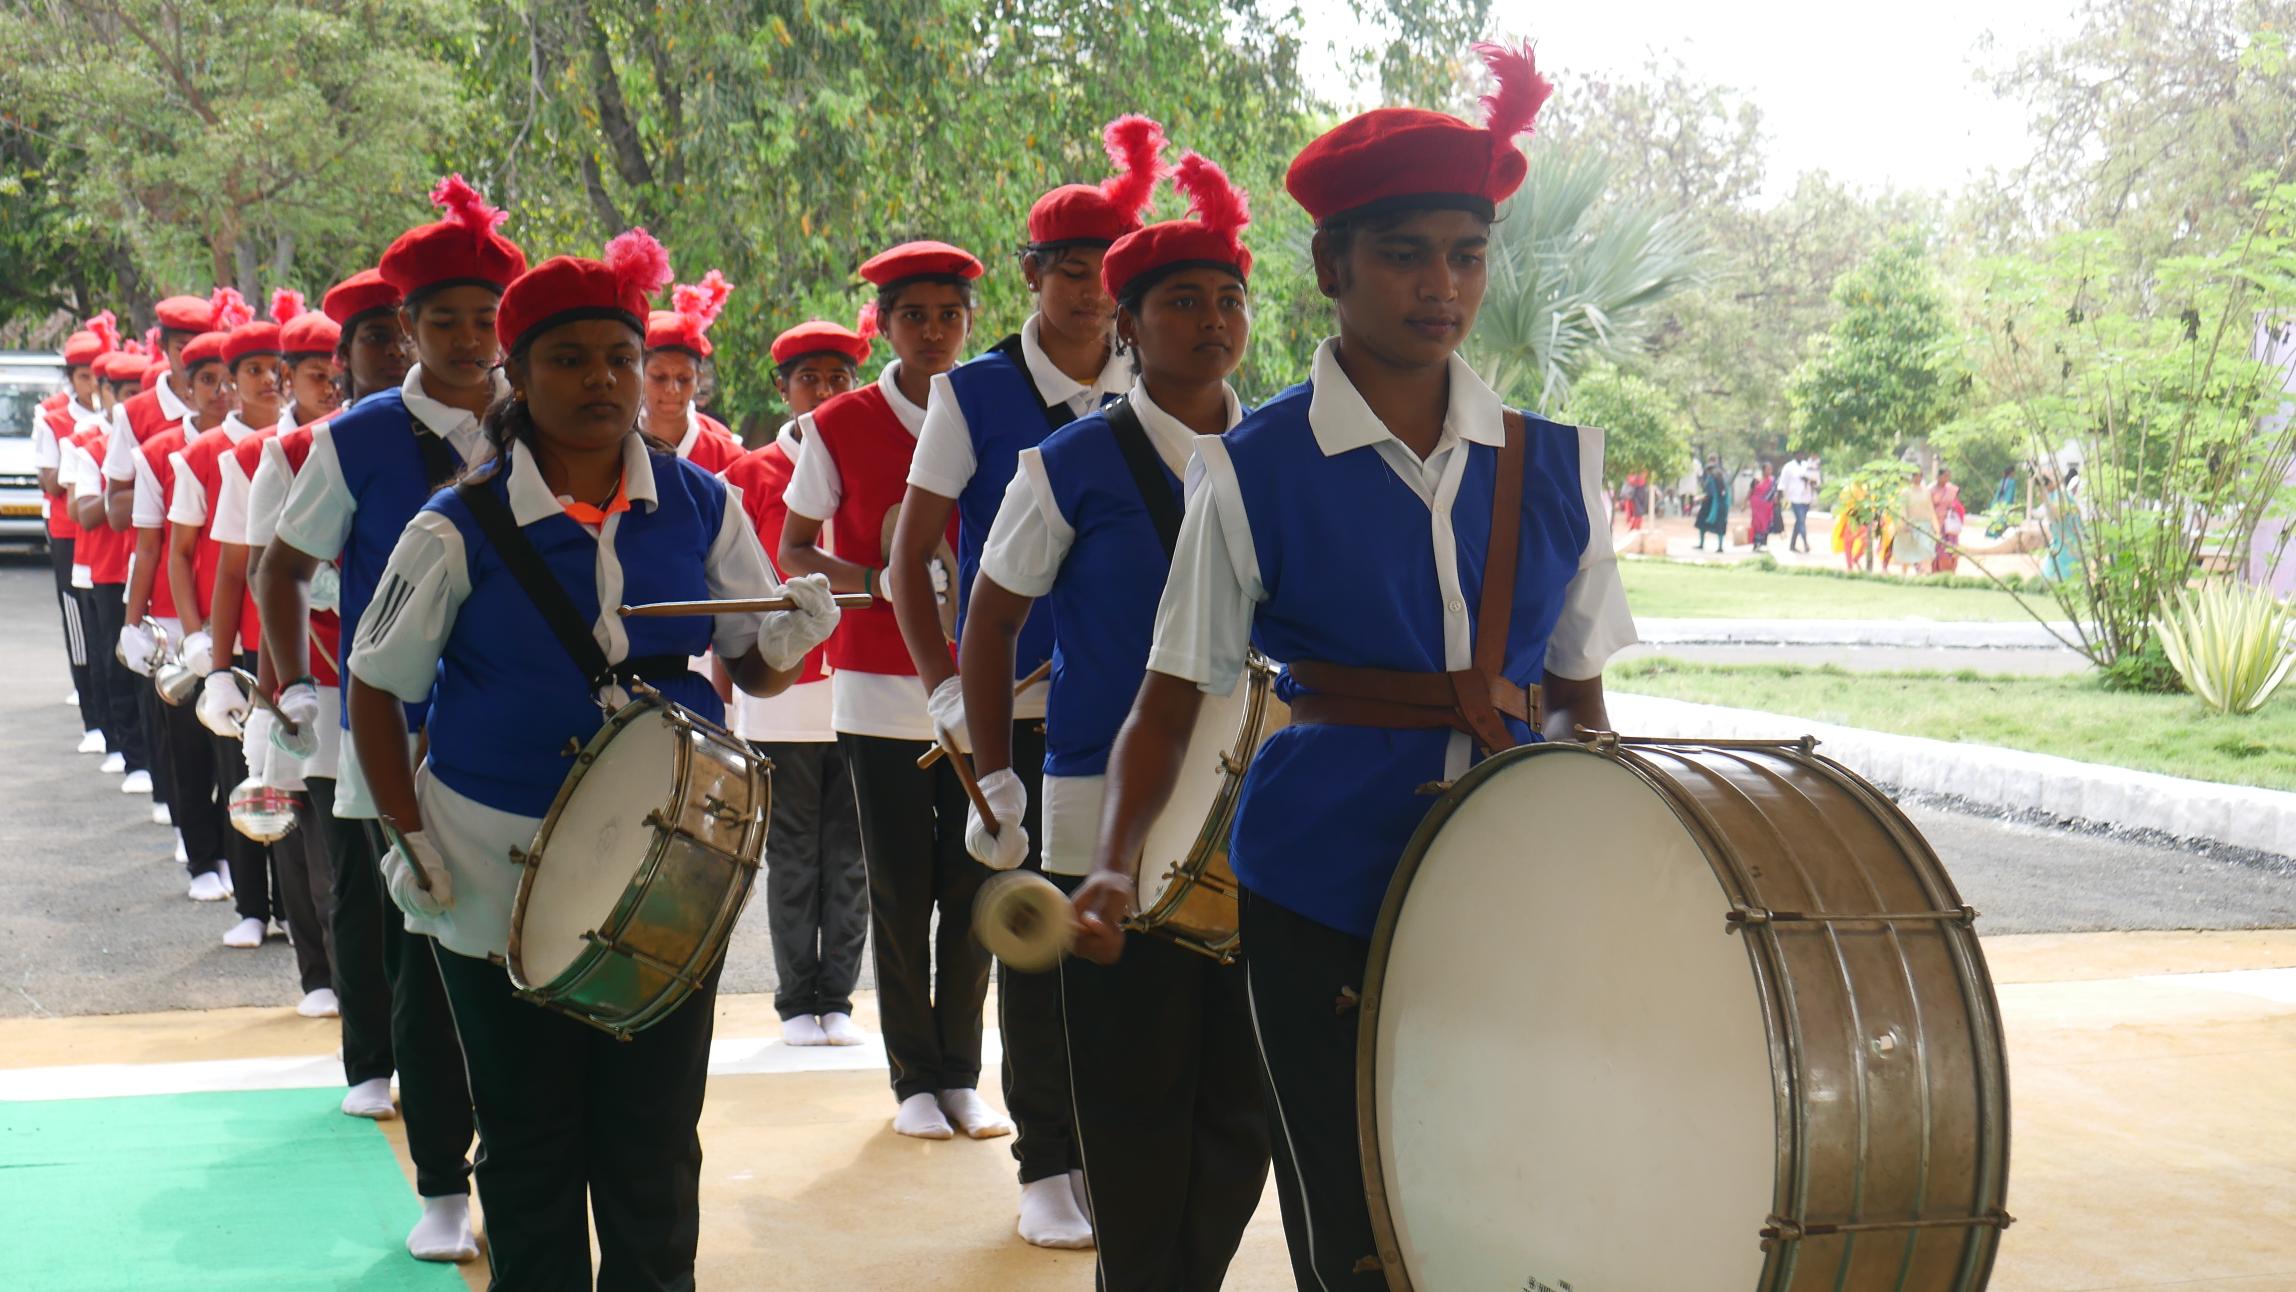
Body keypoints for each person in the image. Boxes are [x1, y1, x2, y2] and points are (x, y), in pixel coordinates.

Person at [1070, 41, 1636, 1287]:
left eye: (1466, 254)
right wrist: (1113, 862)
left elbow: (1583, 710)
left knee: (1509, 1198)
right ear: (1332, 267)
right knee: (1353, 1214)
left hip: (1517, 881)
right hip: (1315, 882)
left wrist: (1610, 849)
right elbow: (1169, 698)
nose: (1441, 285)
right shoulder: (1248, 469)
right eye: (1404, 253)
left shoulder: (1559, 466)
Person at [347, 227, 841, 1291]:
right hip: (491, 864)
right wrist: (410, 835)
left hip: (673, 868)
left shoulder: (702, 501)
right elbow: (376, 686)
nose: (602, 380)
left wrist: (793, 637)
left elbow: (754, 671)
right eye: (568, 359)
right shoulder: (455, 525)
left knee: (654, 1139)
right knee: (528, 1139)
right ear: (517, 375)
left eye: (621, 357)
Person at [961, 148, 1272, 1290]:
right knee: (1133, 1093)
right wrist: (996, 774)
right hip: (1103, 807)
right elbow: (992, 620)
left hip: (1249, 809)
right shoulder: (1068, 463)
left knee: (1240, 1101)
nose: (1212, 320)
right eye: (1181, 300)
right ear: (1129, 324)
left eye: (1229, 297)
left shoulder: (1279, 453)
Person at [891, 115, 1165, 1250]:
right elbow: (908, 560)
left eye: (1111, 271)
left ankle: (1105, 1146)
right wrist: (953, 694)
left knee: (1136, 936)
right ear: (1032, 275)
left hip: (1150, 711)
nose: (1094, 293)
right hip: (1027, 714)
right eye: (1072, 270)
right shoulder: (973, 394)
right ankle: (1044, 1156)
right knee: (1042, 936)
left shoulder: (1161, 381)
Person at [261, 174, 527, 1264]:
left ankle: (528, 1170)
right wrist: (291, 684)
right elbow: (281, 569)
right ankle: (443, 1184)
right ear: (404, 328)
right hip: (394, 734)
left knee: (529, 954)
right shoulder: (358, 437)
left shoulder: (541, 420)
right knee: (427, 955)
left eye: (485, 319)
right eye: (443, 320)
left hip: (522, 730)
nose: (468, 340)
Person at [777, 242, 1009, 1156]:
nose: (934, 331)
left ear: (970, 322)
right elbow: (797, 548)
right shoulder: (841, 423)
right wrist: (878, 580)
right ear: (884, 326)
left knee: (977, 881)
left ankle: (963, 1075)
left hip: (986, 684)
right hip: (877, 690)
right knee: (901, 889)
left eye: (950, 315)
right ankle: (914, 1077)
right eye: (914, 315)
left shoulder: (994, 406)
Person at [248, 266, 414, 1101]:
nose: (397, 351)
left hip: (444, 690)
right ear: (343, 357)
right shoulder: (300, 450)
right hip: (334, 690)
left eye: (404, 333)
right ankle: (371, 1058)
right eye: (376, 338)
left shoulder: (485, 432)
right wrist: (285, 687)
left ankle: (436, 1052)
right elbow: (269, 573)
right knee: (356, 877)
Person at [722, 312, 874, 1048]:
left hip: (864, 687)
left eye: (839, 379)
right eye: (808, 379)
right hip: (782, 695)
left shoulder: (877, 459)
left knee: (851, 854)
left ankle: (837, 995)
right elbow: (728, 591)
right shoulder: (747, 476)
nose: (824, 391)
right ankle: (793, 1000)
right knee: (791, 851)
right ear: (783, 389)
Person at [173, 317, 293, 950]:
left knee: (292, 776)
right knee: (241, 771)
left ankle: (295, 905)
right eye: (252, 371)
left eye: (275, 368)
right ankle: (251, 905)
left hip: (298, 640)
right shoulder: (208, 457)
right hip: (244, 641)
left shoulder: (312, 443)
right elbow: (203, 560)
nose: (266, 381)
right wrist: (206, 648)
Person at [642, 270, 748, 472]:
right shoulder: (615, 446)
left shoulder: (729, 457)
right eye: (659, 377)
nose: (672, 389)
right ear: (640, 376)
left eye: (684, 378)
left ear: (698, 378)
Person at [1891, 465, 1939, 575]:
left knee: (1926, 549)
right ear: (1911, 477)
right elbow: (1902, 509)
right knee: (1907, 550)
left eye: (1920, 476)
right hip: (1910, 525)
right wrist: (1903, 524)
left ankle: (1925, 573)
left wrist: (1935, 526)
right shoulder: (1905, 492)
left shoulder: (1926, 492)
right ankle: (1904, 574)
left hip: (1925, 525)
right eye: (1915, 476)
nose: (1917, 478)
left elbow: (1930, 509)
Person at [1782, 451, 1820, 553]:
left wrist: (1808, 480)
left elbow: (1816, 481)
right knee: (1801, 520)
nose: (1800, 455)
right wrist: (1782, 496)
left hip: (1806, 498)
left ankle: (1792, 545)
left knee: (1799, 522)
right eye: (1798, 454)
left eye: (1802, 454)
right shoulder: (1789, 467)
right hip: (1795, 498)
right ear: (1795, 455)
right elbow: (1783, 483)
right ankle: (1805, 543)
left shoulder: (1807, 465)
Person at [1931, 467, 1966, 574]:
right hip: (1936, 522)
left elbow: (1957, 503)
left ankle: (1950, 571)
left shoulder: (1952, 489)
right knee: (1938, 549)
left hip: (1949, 524)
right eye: (1944, 476)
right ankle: (1937, 571)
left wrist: (1953, 509)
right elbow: (1929, 506)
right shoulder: (1931, 490)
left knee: (1951, 548)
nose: (1946, 478)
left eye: (1948, 476)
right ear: (1938, 476)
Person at [1694, 453, 1728, 551]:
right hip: (1718, 503)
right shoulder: (1719, 474)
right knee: (1715, 524)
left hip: (1713, 503)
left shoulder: (1713, 476)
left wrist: (1702, 498)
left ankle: (1705, 544)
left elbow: (1713, 492)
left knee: (1704, 523)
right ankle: (1717, 546)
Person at [1747, 459, 1777, 552]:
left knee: (1766, 525)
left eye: (1771, 469)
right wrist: (1744, 503)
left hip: (1767, 508)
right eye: (1768, 469)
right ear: (1763, 470)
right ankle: (1756, 544)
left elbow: (1774, 493)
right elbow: (1750, 492)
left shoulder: (1772, 481)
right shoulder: (1757, 480)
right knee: (1757, 525)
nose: (1770, 471)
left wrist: (1776, 501)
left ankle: (1764, 544)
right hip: (1756, 507)